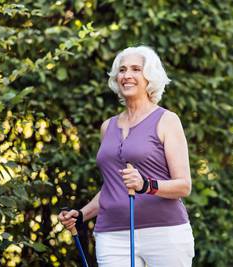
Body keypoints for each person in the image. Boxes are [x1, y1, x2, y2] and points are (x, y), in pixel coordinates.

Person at [58, 46, 194, 266]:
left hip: (165, 232)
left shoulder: (167, 120)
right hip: (112, 235)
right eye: (122, 70)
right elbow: (112, 188)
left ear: (150, 77)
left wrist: (145, 185)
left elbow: (183, 186)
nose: (127, 75)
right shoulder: (107, 127)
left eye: (136, 69)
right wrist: (81, 215)